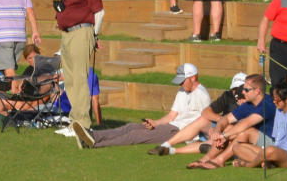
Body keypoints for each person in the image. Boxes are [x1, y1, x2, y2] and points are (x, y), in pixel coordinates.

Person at [74, 63, 210, 149]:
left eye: (183, 81)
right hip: (170, 127)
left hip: (179, 132)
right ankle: (92, 135)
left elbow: (206, 123)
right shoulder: (182, 91)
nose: (180, 84)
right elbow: (172, 115)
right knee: (131, 127)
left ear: (193, 78)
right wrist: (155, 122)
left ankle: (95, 144)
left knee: (135, 135)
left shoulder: (202, 96)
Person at [57, 0, 104, 146]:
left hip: (81, 32)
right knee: (69, 79)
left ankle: (83, 123)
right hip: (68, 33)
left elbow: (99, 11)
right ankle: (73, 121)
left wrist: (94, 35)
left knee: (79, 78)